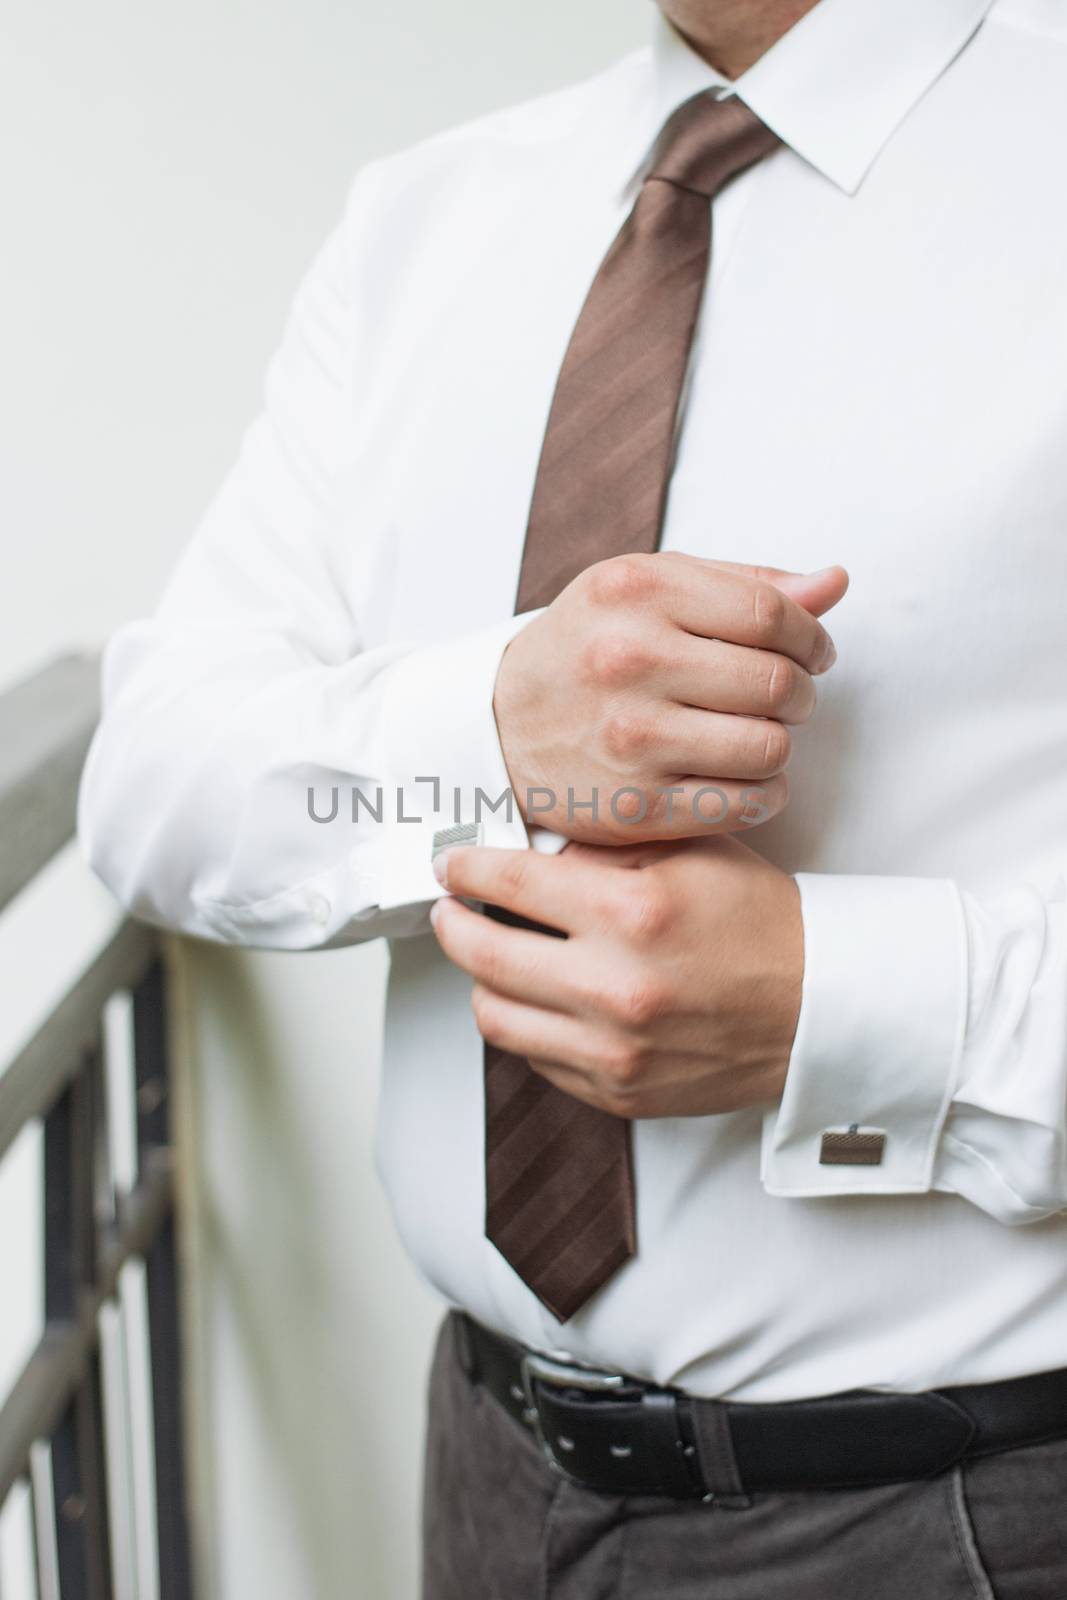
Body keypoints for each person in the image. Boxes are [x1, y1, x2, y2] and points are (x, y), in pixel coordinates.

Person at [80, 0, 1067, 1592]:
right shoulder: (426, 220)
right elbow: (153, 785)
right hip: (485, 1470)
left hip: (960, 1516)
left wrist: (847, 1005)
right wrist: (481, 733)